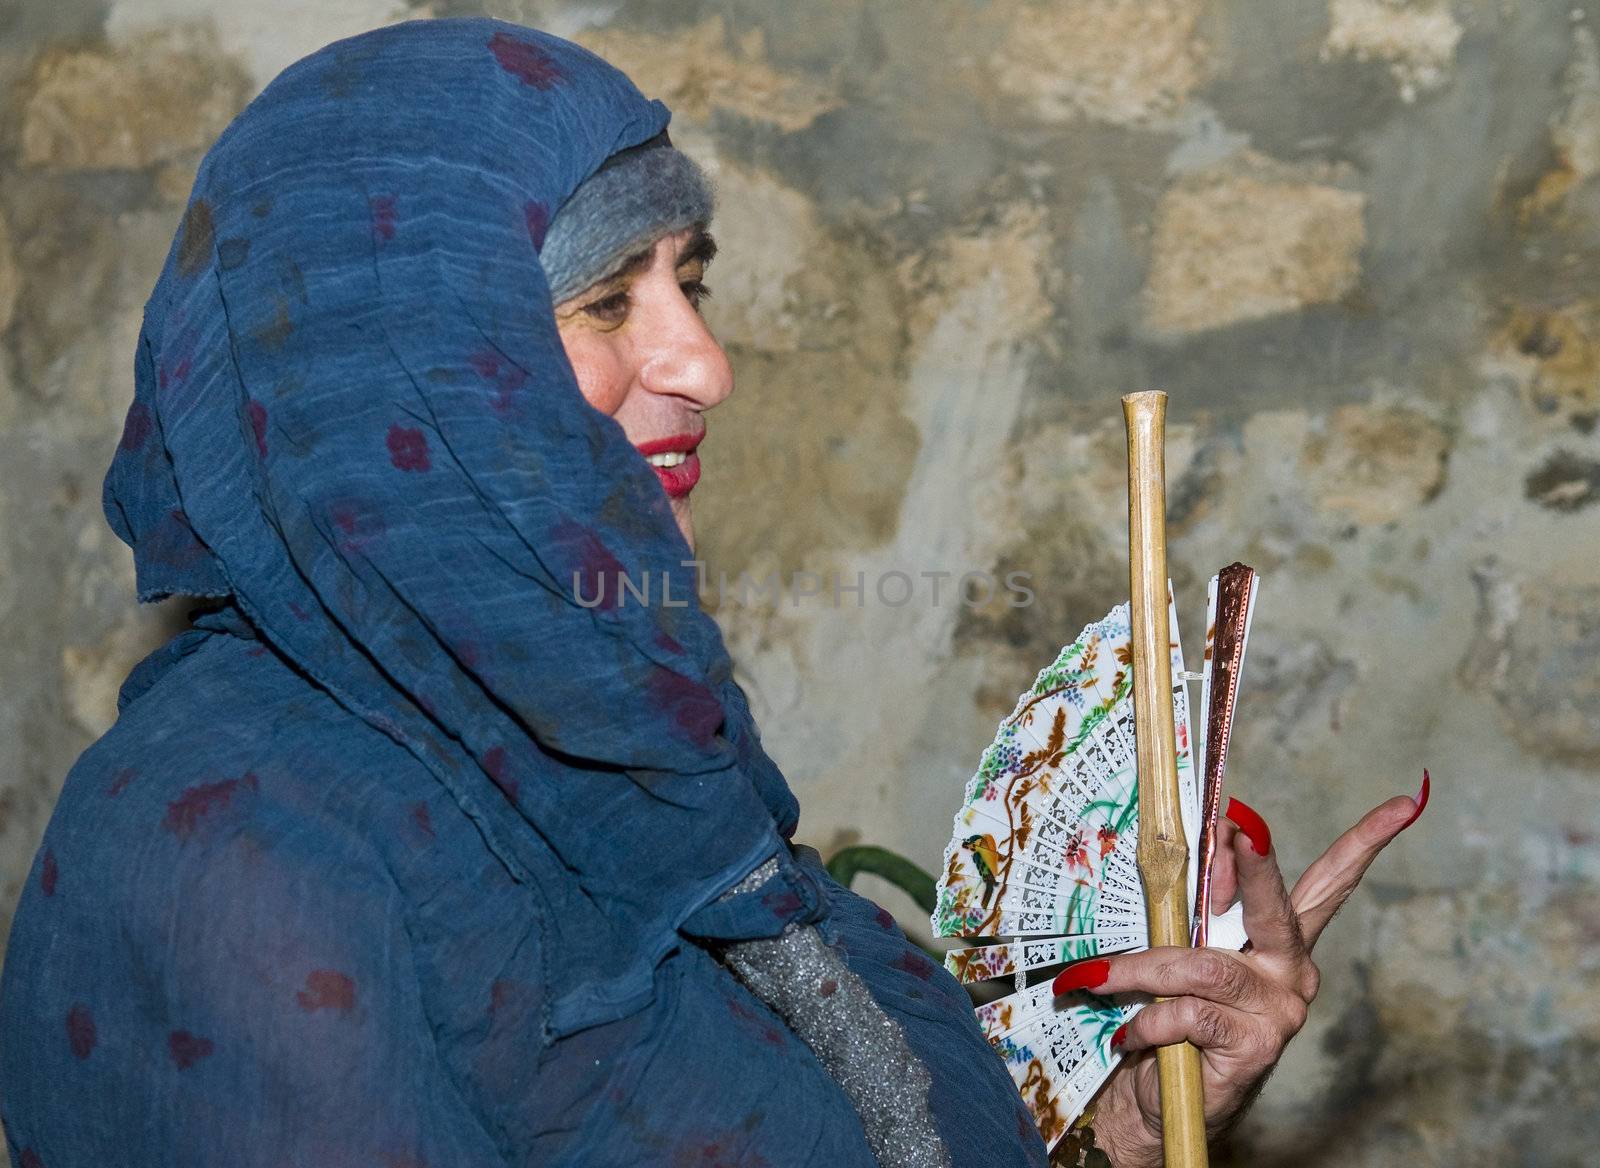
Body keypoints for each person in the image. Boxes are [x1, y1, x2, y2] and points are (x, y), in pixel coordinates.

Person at [0, 18, 1425, 1168]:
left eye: (691, 282)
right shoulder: (234, 864)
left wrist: (1121, 1127)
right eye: (610, 301)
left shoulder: (622, 743)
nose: (705, 365)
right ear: (398, 364)